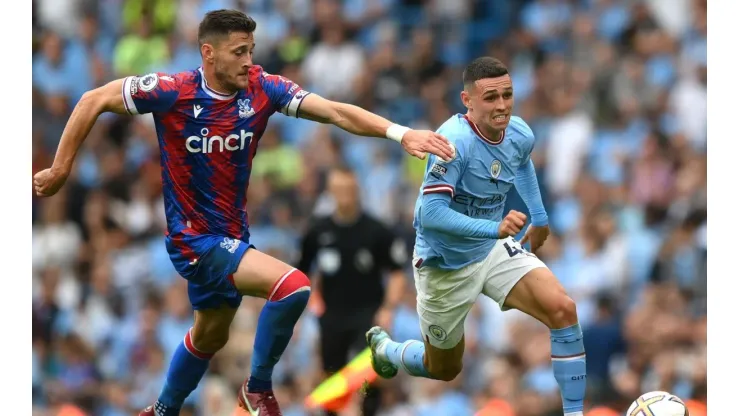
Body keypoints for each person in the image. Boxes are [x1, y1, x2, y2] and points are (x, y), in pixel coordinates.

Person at [32, 9, 454, 416]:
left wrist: (399, 133)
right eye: (239, 52)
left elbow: (335, 111)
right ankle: (257, 388)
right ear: (208, 53)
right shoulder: (171, 90)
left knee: (210, 334)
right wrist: (61, 167)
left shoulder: (262, 87)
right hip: (194, 239)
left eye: (251, 50)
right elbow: (93, 99)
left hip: (232, 235)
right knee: (293, 286)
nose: (248, 61)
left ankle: (164, 409)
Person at [365, 57, 587, 416]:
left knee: (563, 309)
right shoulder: (452, 144)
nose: (502, 106)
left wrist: (540, 217)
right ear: (467, 101)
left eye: (507, 95)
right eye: (491, 98)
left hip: (492, 250)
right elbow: (429, 215)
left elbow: (522, 161)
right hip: (445, 265)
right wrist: (494, 227)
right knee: (446, 369)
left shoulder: (518, 132)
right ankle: (387, 350)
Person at [297, 165, 407, 416]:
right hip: (332, 317)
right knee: (332, 376)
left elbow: (397, 273)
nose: (345, 194)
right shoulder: (317, 230)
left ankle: (365, 410)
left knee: (364, 376)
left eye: (349, 189)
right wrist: (307, 308)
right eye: (339, 189)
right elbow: (301, 272)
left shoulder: (376, 230)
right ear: (331, 191)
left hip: (368, 316)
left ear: (357, 190)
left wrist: (388, 309)